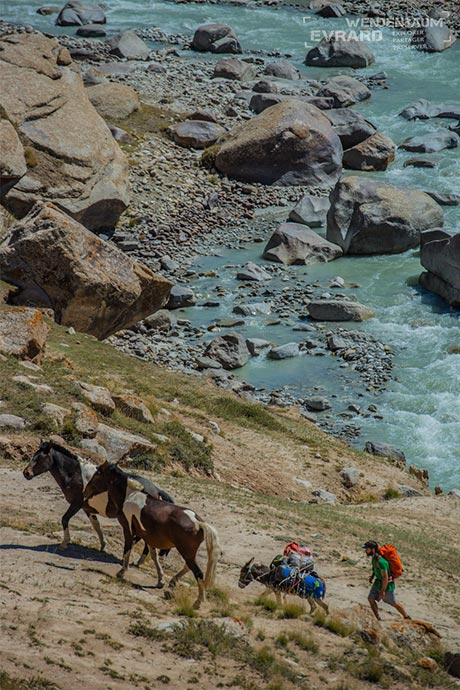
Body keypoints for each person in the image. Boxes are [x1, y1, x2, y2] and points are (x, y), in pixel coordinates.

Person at [362, 540, 411, 622]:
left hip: (386, 585)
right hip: (378, 582)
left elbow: (385, 577)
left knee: (392, 602)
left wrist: (382, 591)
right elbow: (375, 569)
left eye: (367, 549)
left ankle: (406, 616)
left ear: (373, 549)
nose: (365, 551)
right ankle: (378, 618)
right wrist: (372, 577)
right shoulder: (374, 558)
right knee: (370, 598)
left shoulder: (381, 562)